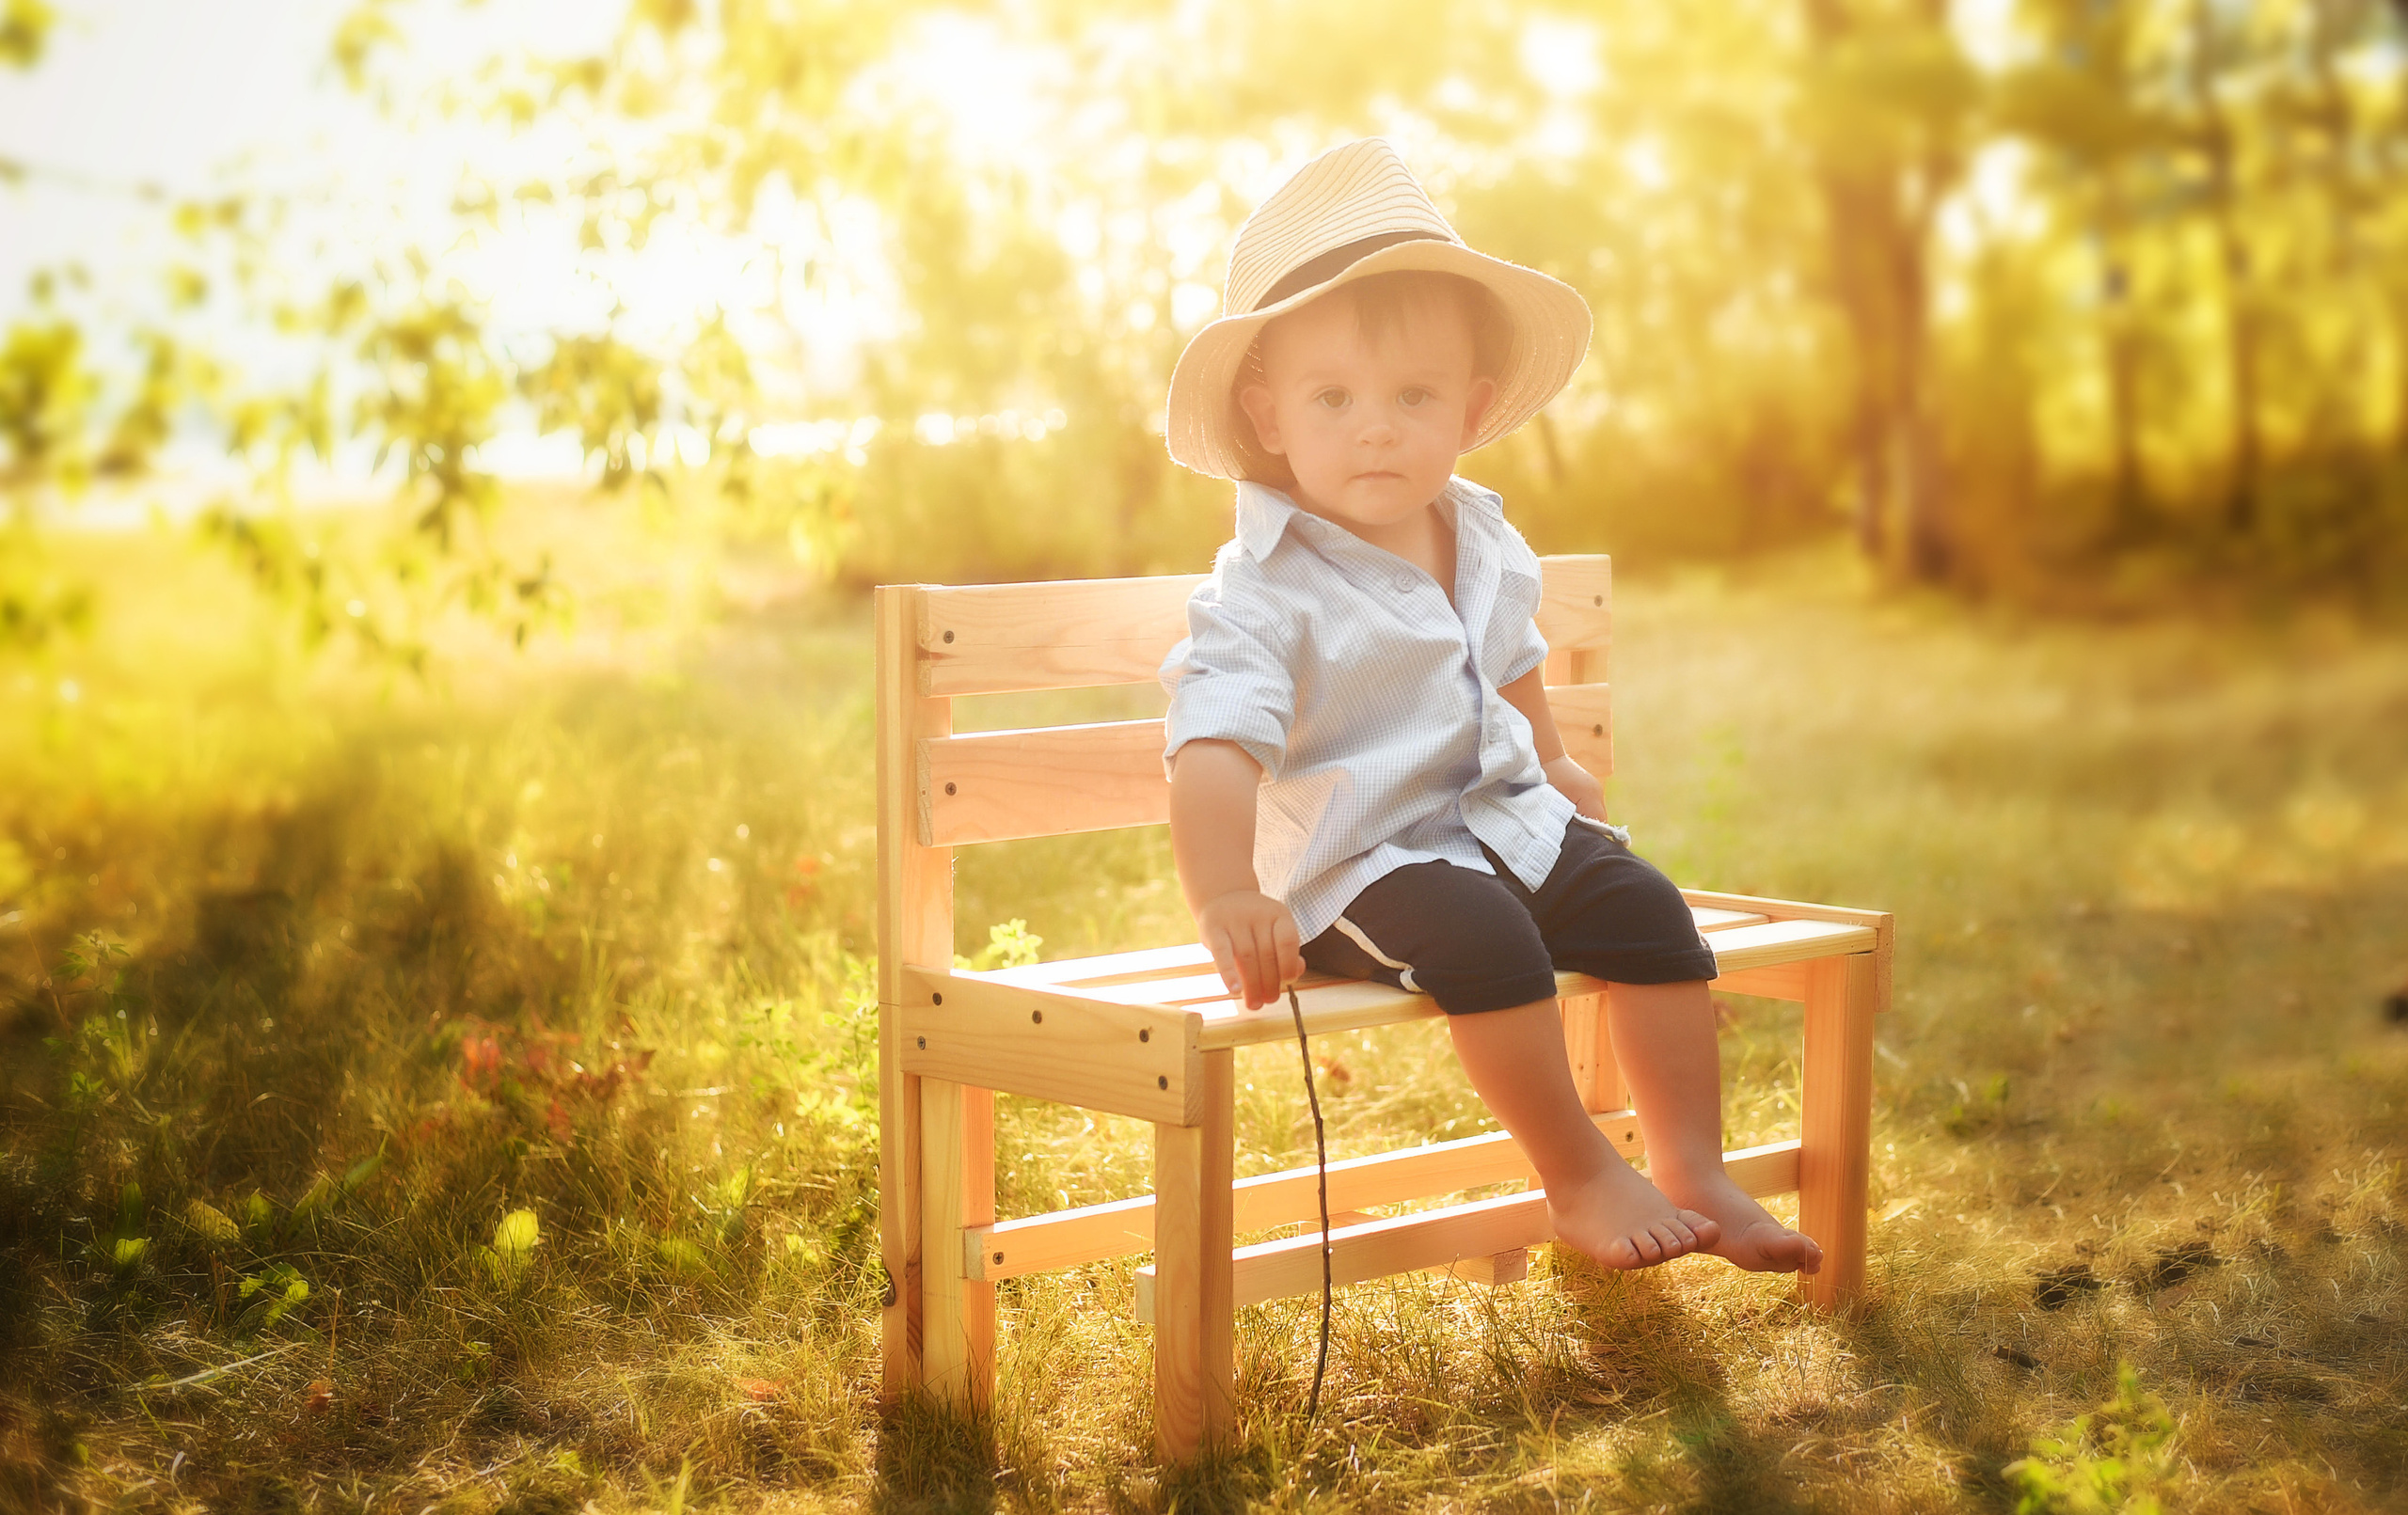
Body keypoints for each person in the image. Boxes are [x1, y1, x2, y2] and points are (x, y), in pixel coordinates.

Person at [1158, 138, 1820, 1275]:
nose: (1376, 426)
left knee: (1645, 909)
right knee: (1484, 936)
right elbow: (1209, 745)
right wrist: (1224, 891)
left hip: (1496, 825)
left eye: (1412, 396)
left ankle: (1693, 1165)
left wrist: (1552, 759)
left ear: (1466, 409)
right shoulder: (1263, 588)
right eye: (1334, 397)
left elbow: (1506, 657)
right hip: (1355, 872)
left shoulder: (1482, 534)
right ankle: (1575, 1176)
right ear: (1269, 417)